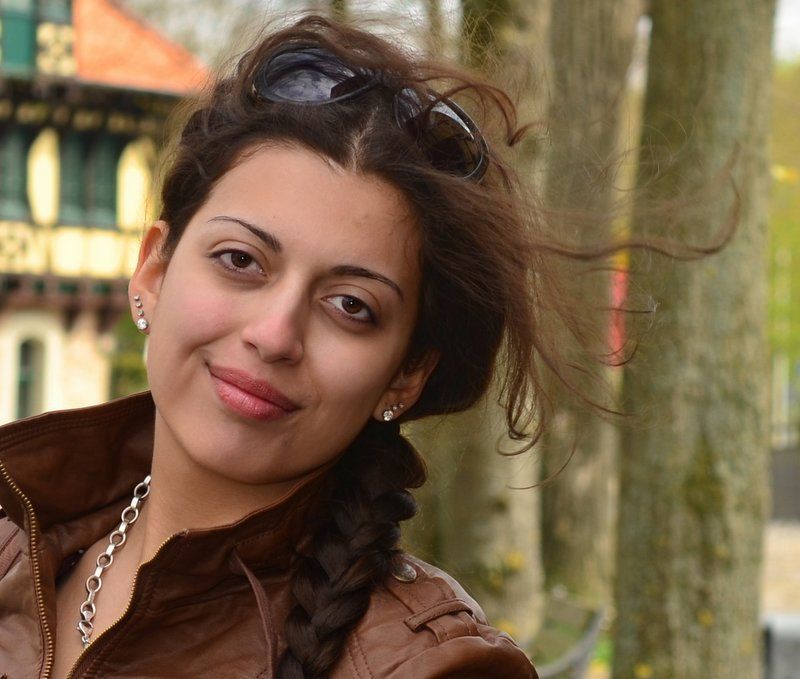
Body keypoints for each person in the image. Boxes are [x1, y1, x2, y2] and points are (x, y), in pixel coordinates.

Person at [0, 14, 574, 678]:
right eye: (241, 260)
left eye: (351, 306)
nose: (274, 335)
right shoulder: (21, 543)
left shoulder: (430, 667)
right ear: (153, 271)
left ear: (406, 374)